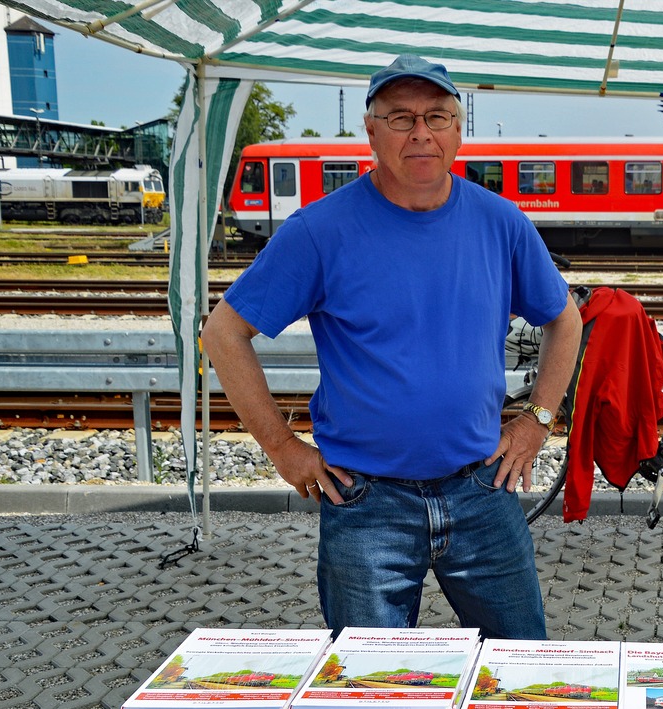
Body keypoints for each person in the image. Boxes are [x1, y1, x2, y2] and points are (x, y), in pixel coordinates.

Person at [201, 55, 582, 639]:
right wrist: (282, 448)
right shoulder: (319, 230)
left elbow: (566, 319)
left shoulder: (501, 223)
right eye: (401, 118)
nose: (421, 132)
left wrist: (536, 419)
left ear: (459, 130)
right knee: (369, 684)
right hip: (366, 502)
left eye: (437, 115)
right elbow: (223, 333)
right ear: (372, 130)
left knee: (518, 664)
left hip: (482, 488)